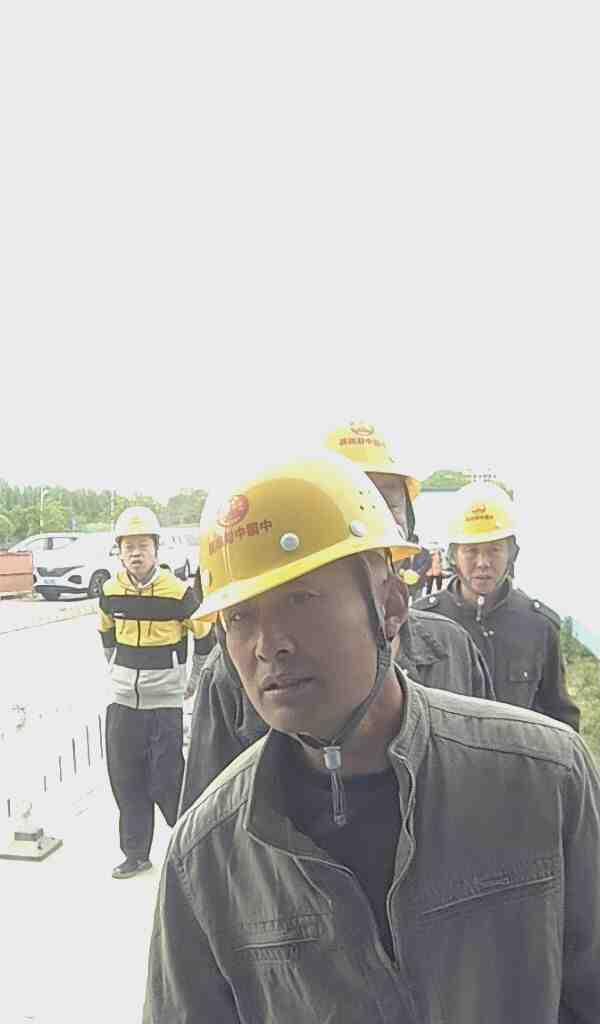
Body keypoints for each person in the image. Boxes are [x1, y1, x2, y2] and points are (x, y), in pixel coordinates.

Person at [144, 454, 600, 1023]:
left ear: (390, 605)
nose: (268, 644)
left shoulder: (544, 778)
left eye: (300, 599)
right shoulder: (206, 857)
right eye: (239, 617)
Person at [178, 423, 495, 812]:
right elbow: (207, 820)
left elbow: (490, 769)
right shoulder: (231, 672)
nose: (369, 512)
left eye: (386, 500)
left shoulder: (451, 646)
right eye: (349, 494)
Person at [98, 506, 214, 879]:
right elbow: (106, 633)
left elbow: (205, 635)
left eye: (143, 546)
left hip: (164, 703)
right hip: (122, 703)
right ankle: (135, 854)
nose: (136, 553)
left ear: (156, 549)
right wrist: (116, 669)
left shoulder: (178, 593)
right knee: (125, 779)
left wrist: (194, 679)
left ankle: (192, 850)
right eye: (128, 547)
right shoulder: (110, 591)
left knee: (167, 781)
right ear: (119, 551)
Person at [414, 482, 580, 731]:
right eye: (471, 551)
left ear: (512, 554)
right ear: (453, 556)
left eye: (494, 550)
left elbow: (561, 717)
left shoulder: (539, 625)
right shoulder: (422, 622)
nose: (483, 562)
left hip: (518, 755)